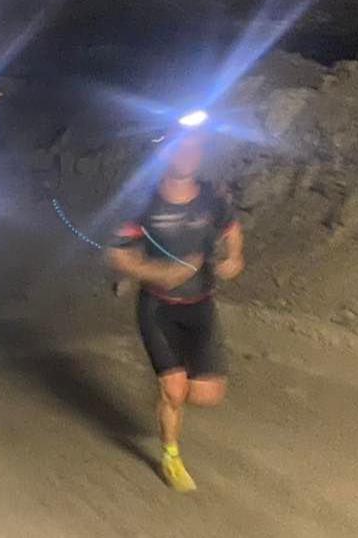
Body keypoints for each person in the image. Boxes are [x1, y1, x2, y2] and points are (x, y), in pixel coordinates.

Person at [105, 131, 244, 492]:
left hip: (201, 307)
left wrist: (234, 258)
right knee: (174, 390)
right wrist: (158, 274)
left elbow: (232, 231)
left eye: (195, 147)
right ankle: (170, 455)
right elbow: (117, 254)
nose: (188, 153)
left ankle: (169, 393)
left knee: (206, 395)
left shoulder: (213, 198)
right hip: (158, 308)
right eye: (181, 147)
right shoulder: (143, 202)